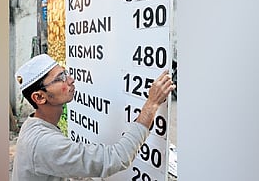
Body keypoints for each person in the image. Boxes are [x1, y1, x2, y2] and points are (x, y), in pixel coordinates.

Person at [12, 54, 175, 181]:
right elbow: (117, 157)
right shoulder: (45, 143)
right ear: (39, 98)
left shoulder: (33, 124)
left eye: (65, 73)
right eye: (60, 78)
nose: (70, 80)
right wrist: (152, 104)